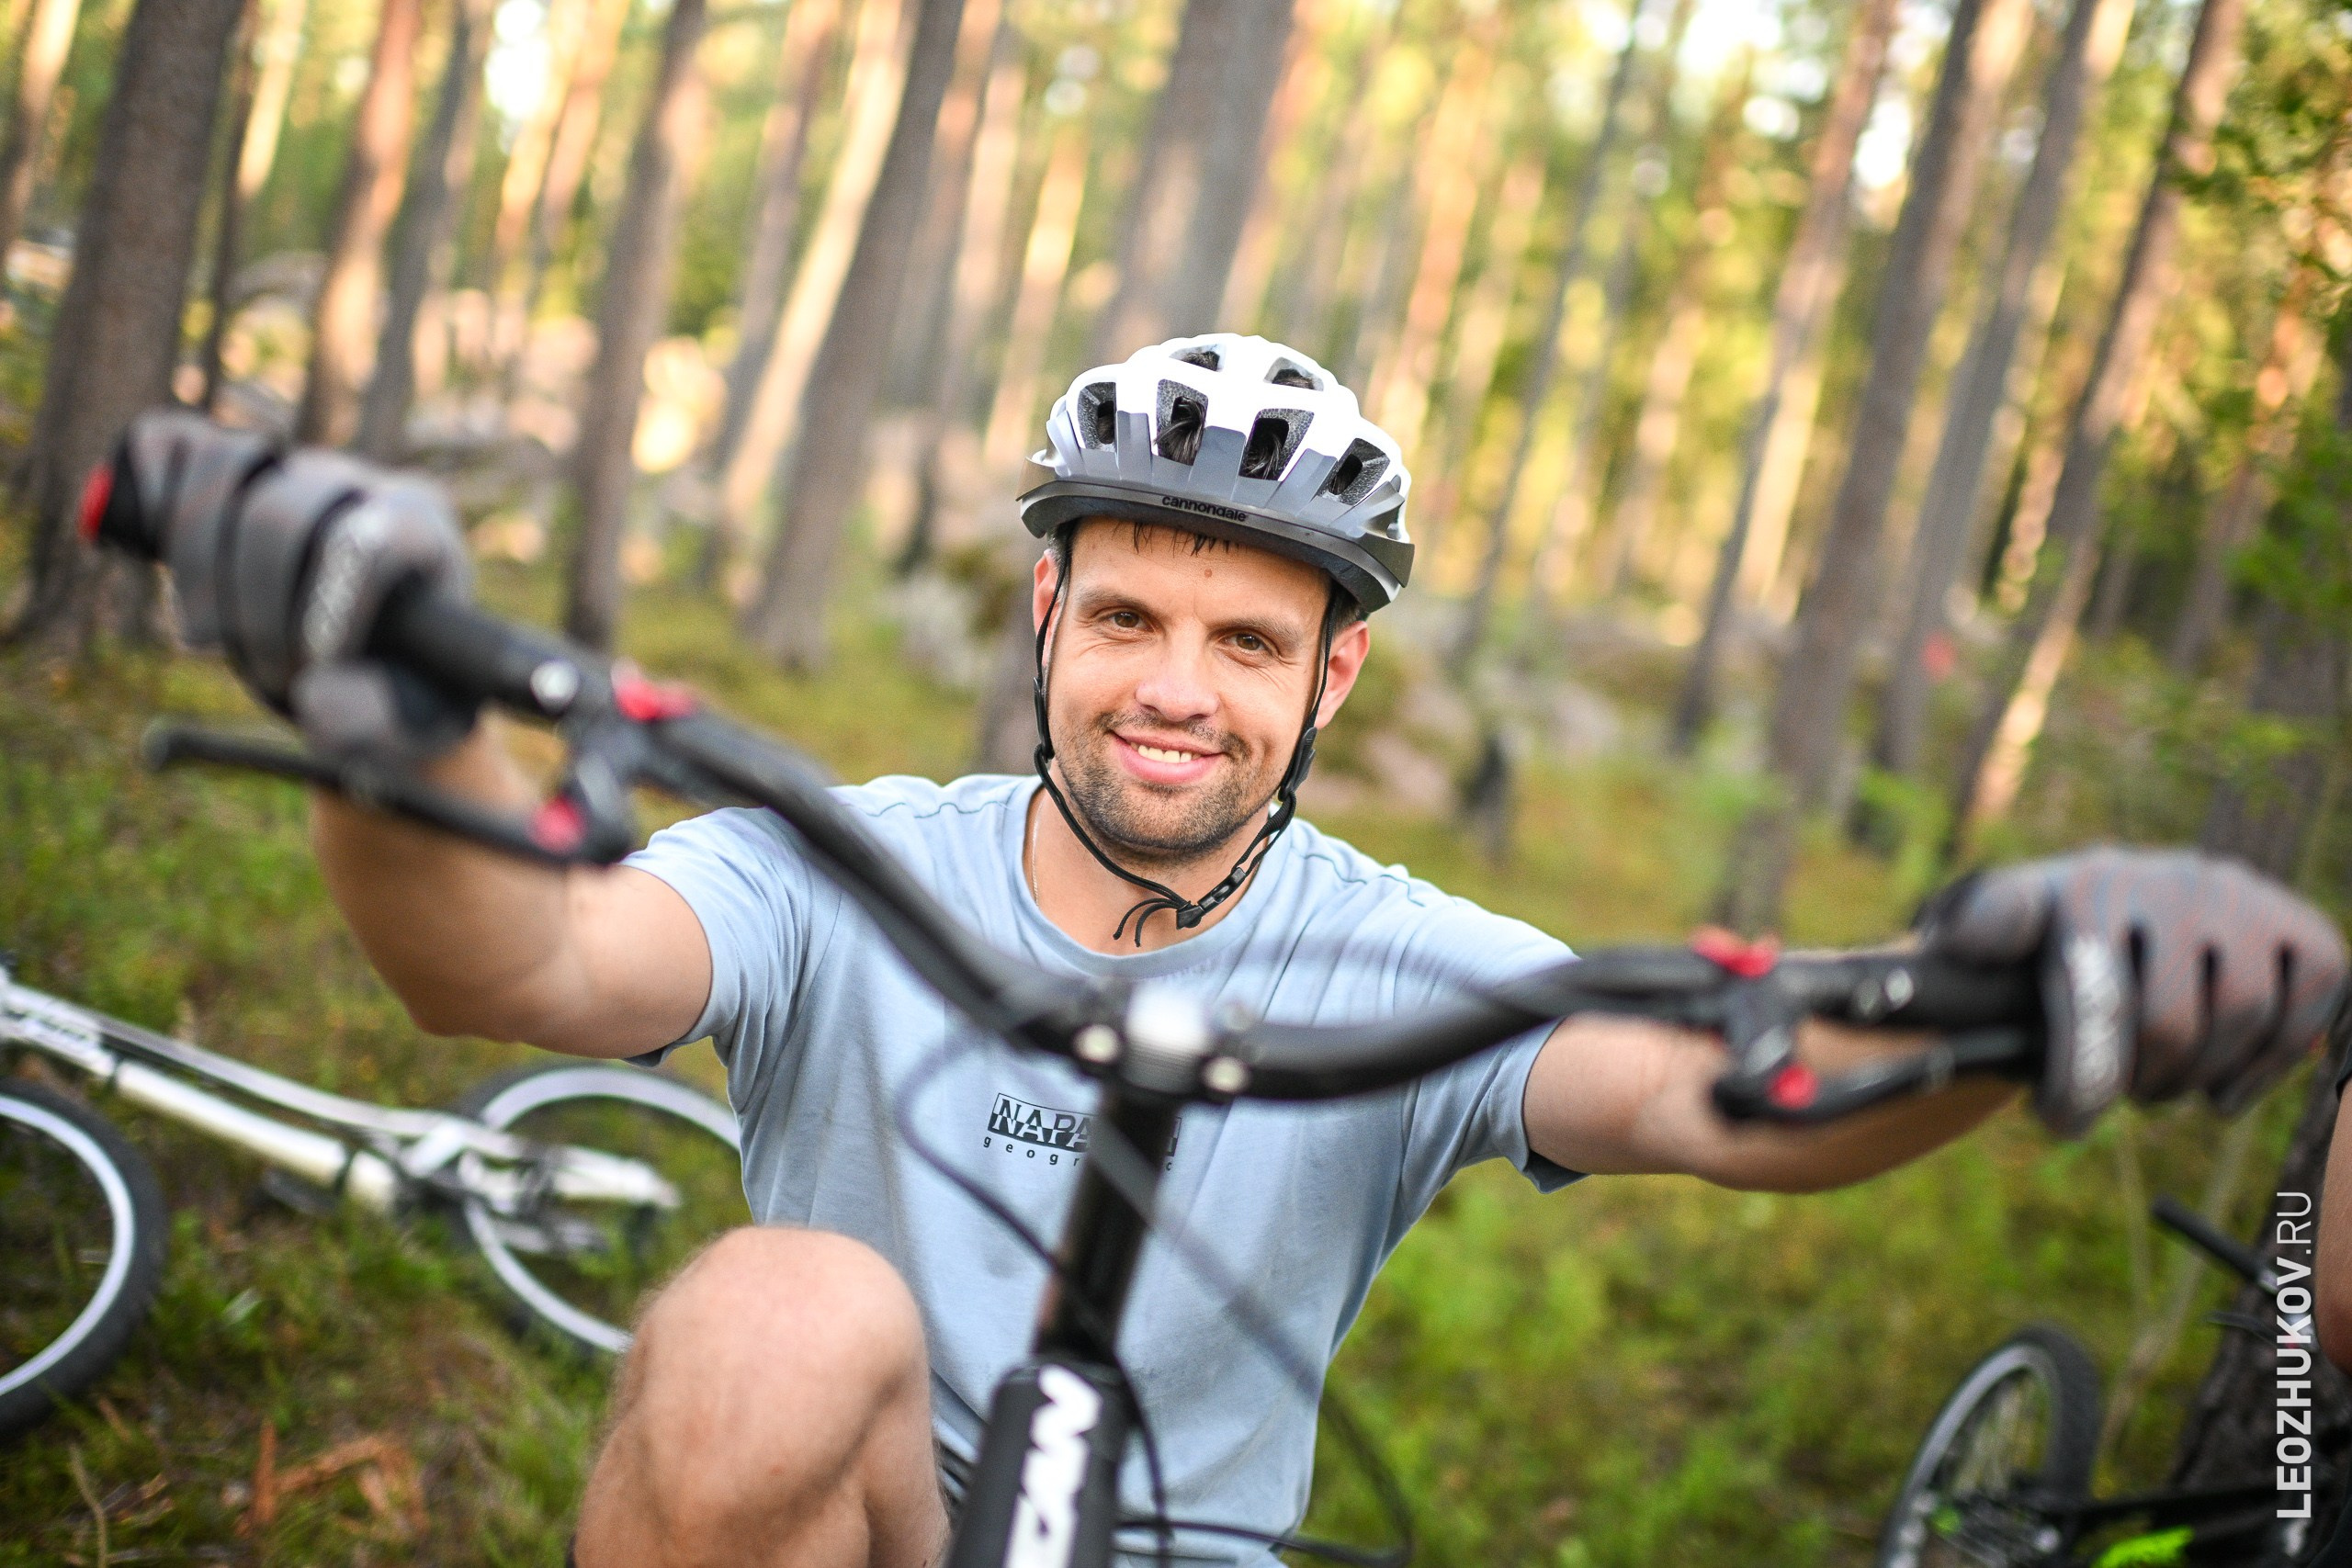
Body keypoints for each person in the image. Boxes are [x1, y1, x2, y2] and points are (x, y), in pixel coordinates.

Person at [118, 335, 2349, 1568]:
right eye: (1126, 615)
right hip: (863, 1514)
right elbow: (515, 967)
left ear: (1329, 686)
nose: (1171, 685)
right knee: (772, 1307)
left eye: (1245, 637)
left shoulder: (1401, 956)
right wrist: (383, 733)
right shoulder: (842, 859)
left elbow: (1711, 1093)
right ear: (1043, 616)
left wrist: (1995, 994)